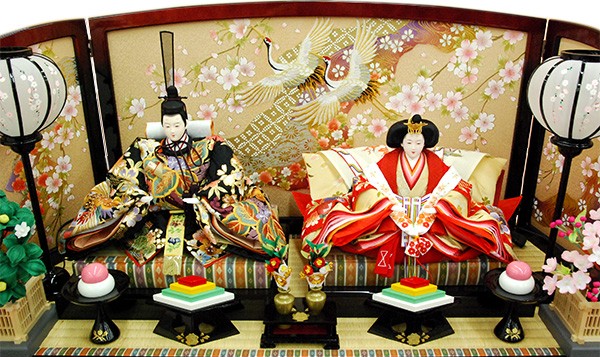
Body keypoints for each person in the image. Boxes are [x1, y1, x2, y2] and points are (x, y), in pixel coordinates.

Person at [62, 86, 287, 274]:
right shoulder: (145, 148)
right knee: (105, 203)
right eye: (167, 126)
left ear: (186, 122)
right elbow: (122, 177)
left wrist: (204, 198)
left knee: (249, 214)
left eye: (177, 125)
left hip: (199, 215)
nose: (172, 131)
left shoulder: (210, 146)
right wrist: (141, 197)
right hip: (154, 217)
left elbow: (231, 176)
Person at [300, 114, 515, 277]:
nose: (414, 147)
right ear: (401, 143)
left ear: (425, 144)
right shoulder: (388, 161)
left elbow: (457, 186)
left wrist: (439, 206)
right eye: (409, 143)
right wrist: (385, 205)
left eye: (419, 143)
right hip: (390, 215)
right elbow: (366, 184)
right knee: (357, 223)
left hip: (429, 216)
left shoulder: (434, 162)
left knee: (463, 228)